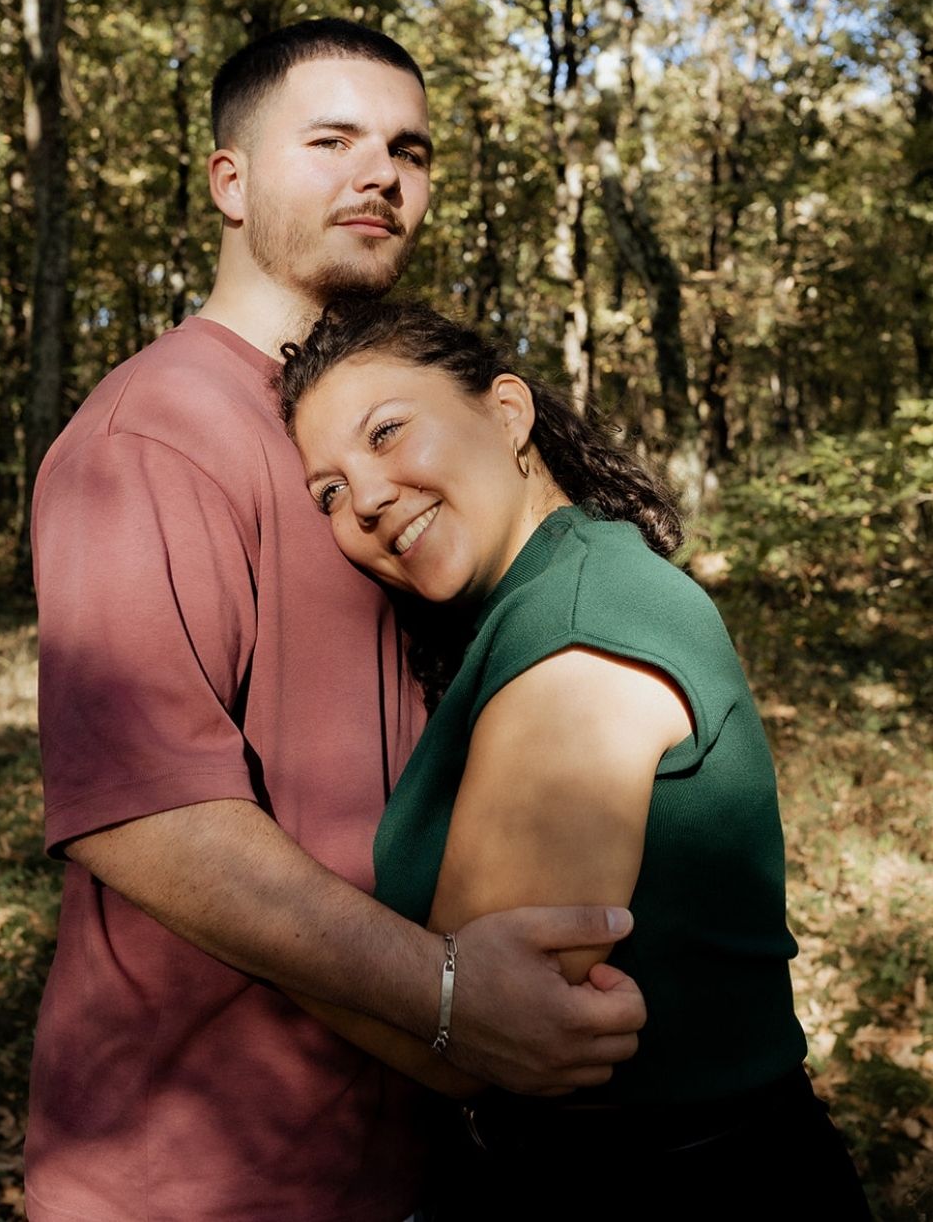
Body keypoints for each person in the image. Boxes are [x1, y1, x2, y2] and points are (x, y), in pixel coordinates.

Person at [24, 20, 647, 1221]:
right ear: (230, 181)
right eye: (332, 141)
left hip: (402, 1145)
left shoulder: (386, 434)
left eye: (408, 150)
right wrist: (452, 994)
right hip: (201, 1171)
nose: (382, 174)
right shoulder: (154, 434)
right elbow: (144, 817)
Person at [279, 297, 872, 1219]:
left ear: (507, 411)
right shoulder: (543, 597)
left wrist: (252, 934)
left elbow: (486, 1033)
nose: (365, 499)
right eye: (328, 491)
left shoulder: (578, 624)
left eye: (387, 432)